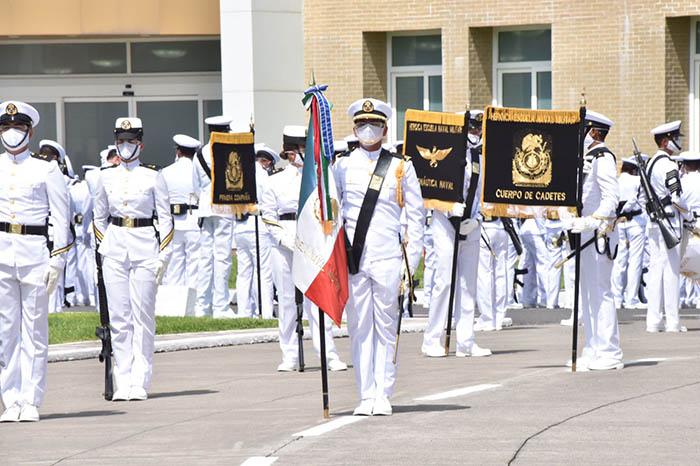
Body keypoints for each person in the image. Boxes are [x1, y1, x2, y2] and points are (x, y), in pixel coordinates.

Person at [334, 98, 423, 416]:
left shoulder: (402, 166)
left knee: (387, 326)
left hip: (388, 259)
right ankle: (365, 394)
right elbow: (334, 216)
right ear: (354, 128)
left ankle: (383, 393)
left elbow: (416, 217)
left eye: (373, 124)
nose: (367, 129)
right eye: (361, 124)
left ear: (385, 129)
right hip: (355, 260)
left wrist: (408, 267)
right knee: (359, 328)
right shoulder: (342, 166)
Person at [0, 101, 72, 422]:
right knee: (6, 331)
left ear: (30, 131)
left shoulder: (46, 168)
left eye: (17, 127)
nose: (11, 133)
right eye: (5, 128)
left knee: (34, 330)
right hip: (2, 253)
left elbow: (61, 217)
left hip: (35, 254)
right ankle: (10, 399)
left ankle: (31, 399)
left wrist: (58, 260)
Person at [93, 117, 173, 401]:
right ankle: (122, 378)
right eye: (121, 141)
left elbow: (165, 218)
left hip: (144, 247)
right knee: (119, 317)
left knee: (143, 316)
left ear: (141, 143)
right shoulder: (104, 175)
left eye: (131, 141)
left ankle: (140, 379)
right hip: (115, 247)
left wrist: (164, 253)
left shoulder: (153, 175)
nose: (126, 146)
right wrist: (104, 248)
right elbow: (99, 216)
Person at [261, 125, 347, 370]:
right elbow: (268, 216)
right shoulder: (275, 181)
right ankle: (289, 354)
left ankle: (328, 353)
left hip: (313, 241)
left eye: (305, 149)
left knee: (318, 299)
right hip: (284, 241)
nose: (302, 154)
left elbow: (332, 210)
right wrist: (283, 239)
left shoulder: (322, 178)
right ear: (289, 152)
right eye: (299, 149)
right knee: (287, 300)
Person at [421, 110, 491, 359]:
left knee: (468, 283)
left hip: (471, 222)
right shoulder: (448, 154)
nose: (475, 134)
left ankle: (466, 341)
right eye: (471, 129)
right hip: (444, 221)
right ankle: (431, 339)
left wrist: (478, 216)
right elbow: (429, 188)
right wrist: (448, 208)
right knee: (445, 281)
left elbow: (483, 191)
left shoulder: (480, 158)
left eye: (478, 130)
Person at [563, 110, 623, 371]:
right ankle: (592, 347)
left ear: (595, 132)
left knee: (601, 292)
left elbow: (612, 199)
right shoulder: (585, 159)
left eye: (583, 131)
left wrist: (594, 220)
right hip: (583, 231)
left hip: (600, 234)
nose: (580, 136)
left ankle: (610, 351)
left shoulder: (603, 158)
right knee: (587, 293)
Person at [644, 121, 687, 332]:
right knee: (670, 272)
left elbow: (641, 196)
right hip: (669, 221)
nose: (678, 141)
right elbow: (677, 197)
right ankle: (673, 321)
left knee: (655, 271)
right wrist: (689, 214)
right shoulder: (669, 165)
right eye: (675, 138)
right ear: (665, 141)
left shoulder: (650, 164)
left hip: (654, 222)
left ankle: (653, 321)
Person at [192, 116, 236, 318]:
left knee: (205, 257)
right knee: (223, 257)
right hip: (224, 205)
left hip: (205, 206)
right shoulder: (228, 151)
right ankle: (221, 307)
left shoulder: (199, 153)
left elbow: (195, 184)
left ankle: (202, 306)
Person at [161, 134, 201, 289]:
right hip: (194, 221)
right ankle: (193, 304)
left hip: (172, 223)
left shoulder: (166, 171)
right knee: (194, 266)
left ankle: (174, 303)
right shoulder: (198, 171)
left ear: (178, 152)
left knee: (174, 267)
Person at [611, 157, 647, 309]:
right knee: (635, 261)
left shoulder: (617, 181)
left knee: (619, 261)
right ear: (634, 170)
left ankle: (617, 298)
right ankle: (631, 299)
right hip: (636, 222)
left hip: (620, 223)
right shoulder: (638, 181)